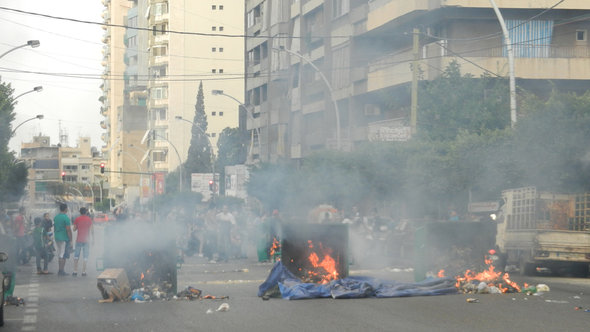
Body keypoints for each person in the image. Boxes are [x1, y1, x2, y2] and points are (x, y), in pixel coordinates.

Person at [72, 207, 93, 276]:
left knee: (76, 255)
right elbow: (92, 230)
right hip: (86, 240)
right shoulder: (89, 219)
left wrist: (78, 226)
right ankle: (84, 271)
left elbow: (74, 229)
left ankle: (75, 271)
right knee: (85, 256)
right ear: (86, 212)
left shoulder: (77, 219)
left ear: (80, 212)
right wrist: (93, 240)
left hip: (79, 240)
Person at [54, 203, 72, 276]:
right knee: (62, 254)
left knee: (60, 253)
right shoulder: (66, 218)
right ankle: (61, 271)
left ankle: (61, 270)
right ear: (65, 209)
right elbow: (68, 230)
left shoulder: (56, 217)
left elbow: (55, 228)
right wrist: (71, 240)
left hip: (57, 237)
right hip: (63, 238)